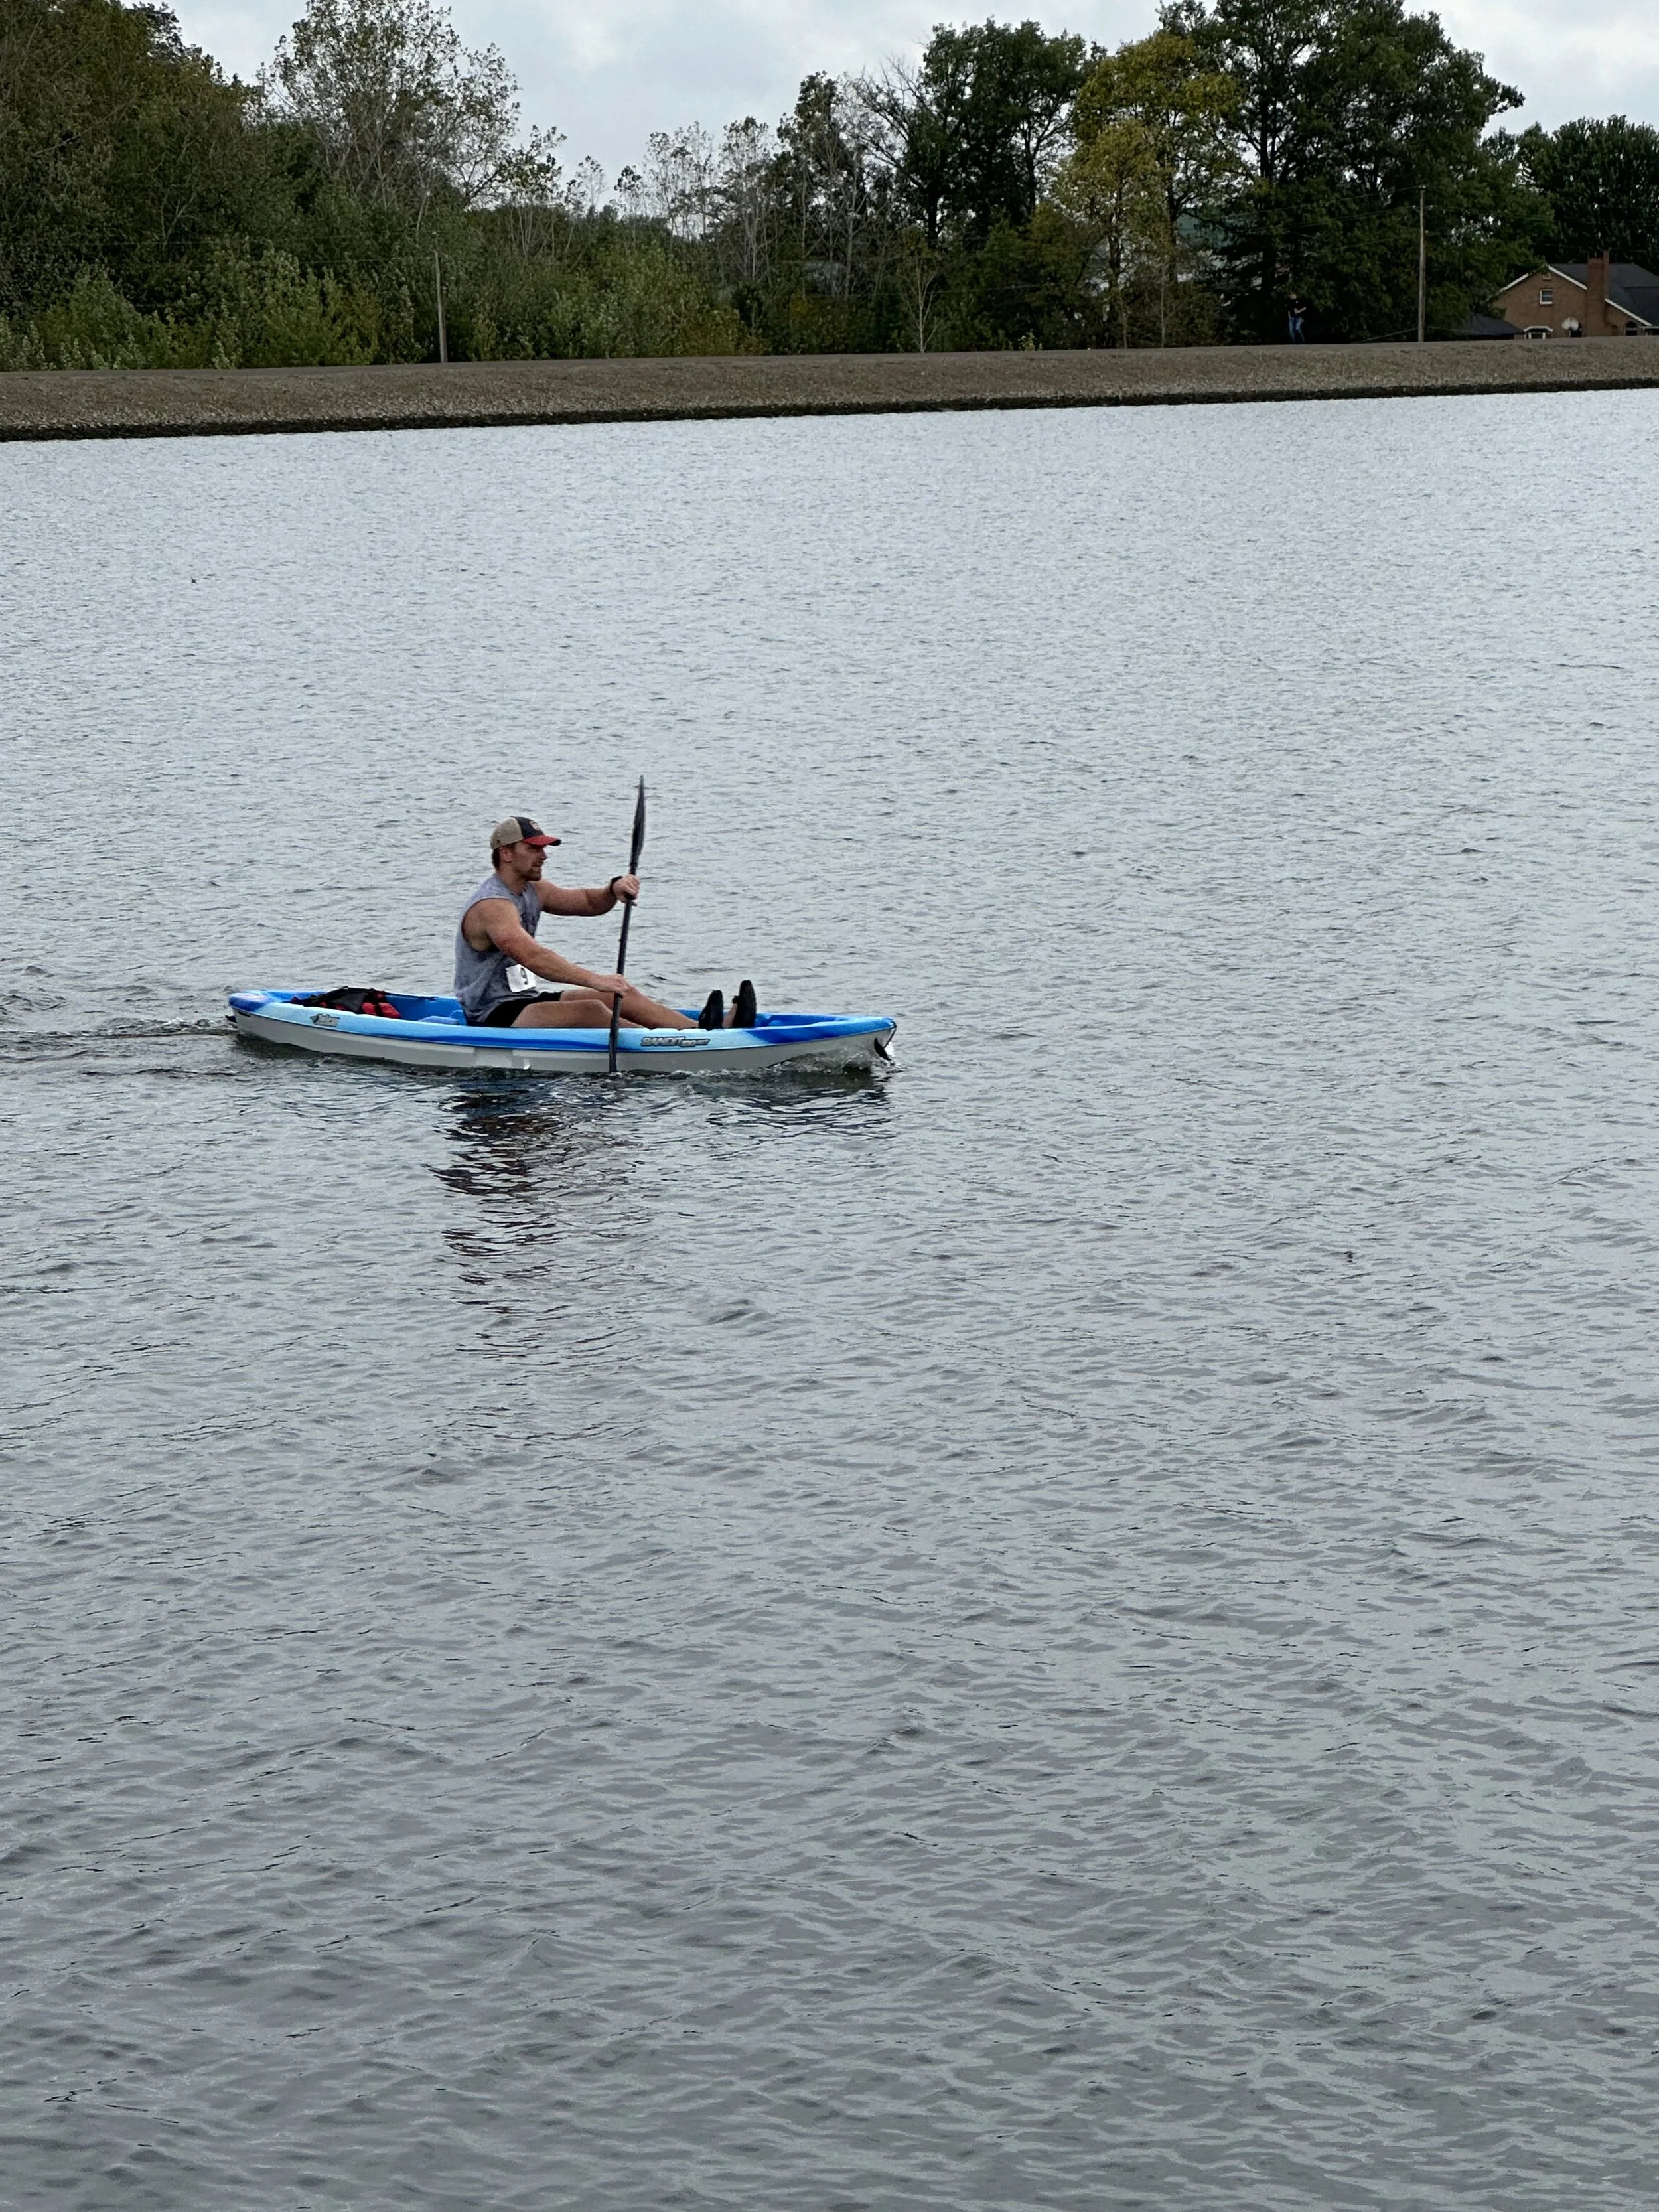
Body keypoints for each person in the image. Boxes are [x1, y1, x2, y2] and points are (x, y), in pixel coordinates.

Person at [455, 815, 757, 1031]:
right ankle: (675, 1044)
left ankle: (704, 1032)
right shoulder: (492, 906)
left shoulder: (534, 889)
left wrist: (613, 888)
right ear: (506, 854)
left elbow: (586, 902)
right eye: (533, 849)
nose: (544, 856)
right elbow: (532, 956)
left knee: (619, 995)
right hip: (491, 1015)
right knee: (591, 1009)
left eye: (544, 848)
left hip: (523, 1002)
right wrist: (594, 979)